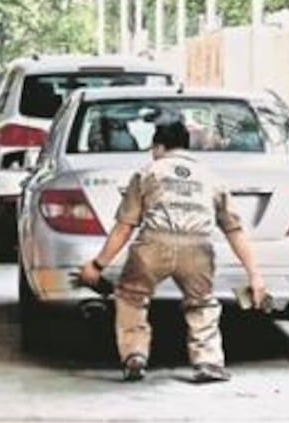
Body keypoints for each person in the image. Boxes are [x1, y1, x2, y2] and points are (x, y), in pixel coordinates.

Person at [78, 115, 266, 383]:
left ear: (158, 147)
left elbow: (124, 226)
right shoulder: (211, 178)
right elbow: (234, 231)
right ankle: (208, 361)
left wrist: (97, 265)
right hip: (198, 246)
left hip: (154, 244)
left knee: (131, 296)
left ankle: (135, 354)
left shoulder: (147, 173)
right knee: (201, 303)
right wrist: (254, 274)